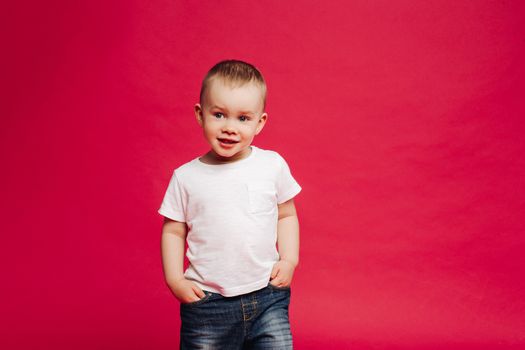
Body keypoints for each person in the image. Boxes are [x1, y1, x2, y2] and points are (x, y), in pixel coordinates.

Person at [158, 59, 301, 349]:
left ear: (260, 122)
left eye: (243, 118)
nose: (229, 128)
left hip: (267, 295)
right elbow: (174, 230)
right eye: (219, 115)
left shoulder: (271, 165)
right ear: (201, 115)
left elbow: (286, 214)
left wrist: (289, 259)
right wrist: (175, 280)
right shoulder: (186, 177)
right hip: (208, 303)